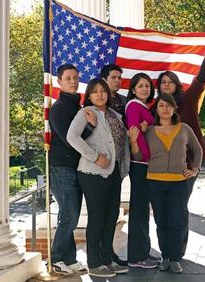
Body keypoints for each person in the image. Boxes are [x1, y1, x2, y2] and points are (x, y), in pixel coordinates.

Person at [156, 38, 205, 257]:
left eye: (170, 82)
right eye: (163, 82)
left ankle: (178, 251)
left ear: (176, 84)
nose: (166, 85)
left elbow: (200, 78)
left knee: (180, 207)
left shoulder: (188, 100)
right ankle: (168, 251)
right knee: (166, 210)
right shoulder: (156, 108)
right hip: (163, 168)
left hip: (189, 164)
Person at [67, 78, 130, 278]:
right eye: (95, 91)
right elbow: (72, 137)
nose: (100, 94)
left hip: (114, 172)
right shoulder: (86, 113)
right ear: (89, 95)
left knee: (111, 217)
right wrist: (95, 157)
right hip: (93, 172)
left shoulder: (115, 115)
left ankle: (107, 259)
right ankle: (95, 262)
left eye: (103, 90)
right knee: (98, 218)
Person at [133, 93, 202, 274]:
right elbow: (140, 156)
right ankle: (165, 257)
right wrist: (134, 140)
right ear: (156, 109)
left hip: (178, 183)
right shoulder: (148, 131)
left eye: (168, 105)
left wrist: (194, 169)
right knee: (161, 222)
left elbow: (198, 150)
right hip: (154, 182)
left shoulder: (184, 128)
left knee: (177, 221)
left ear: (174, 109)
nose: (165, 108)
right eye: (161, 105)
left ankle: (175, 258)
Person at [48, 64, 96, 275]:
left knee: (70, 215)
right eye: (68, 78)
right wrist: (91, 127)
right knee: (69, 215)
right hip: (61, 168)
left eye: (76, 77)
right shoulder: (59, 108)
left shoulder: (77, 106)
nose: (73, 81)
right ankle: (56, 258)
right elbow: (71, 141)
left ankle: (69, 258)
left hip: (75, 168)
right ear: (59, 82)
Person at [124, 73, 160, 269]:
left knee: (143, 210)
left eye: (147, 85)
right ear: (133, 90)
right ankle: (136, 257)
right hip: (140, 165)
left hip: (146, 165)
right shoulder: (134, 106)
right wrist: (140, 157)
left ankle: (144, 251)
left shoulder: (144, 107)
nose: (145, 89)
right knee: (138, 211)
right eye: (140, 86)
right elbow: (134, 134)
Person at [100, 64, 128, 266]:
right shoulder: (96, 101)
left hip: (118, 163)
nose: (117, 80)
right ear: (104, 79)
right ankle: (98, 255)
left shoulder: (123, 102)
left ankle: (109, 252)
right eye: (114, 77)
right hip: (99, 165)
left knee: (112, 212)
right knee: (100, 214)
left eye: (119, 77)